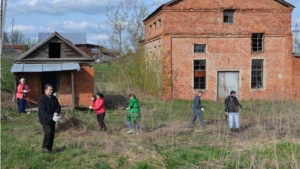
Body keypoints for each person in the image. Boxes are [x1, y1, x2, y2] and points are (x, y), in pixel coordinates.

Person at [38, 84, 61, 152]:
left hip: (52, 119)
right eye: (50, 90)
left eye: (52, 90)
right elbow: (42, 111)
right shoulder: (41, 99)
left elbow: (58, 107)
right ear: (45, 90)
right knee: (48, 131)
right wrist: (51, 117)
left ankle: (50, 148)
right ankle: (44, 147)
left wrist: (56, 113)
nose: (51, 91)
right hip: (44, 119)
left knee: (52, 133)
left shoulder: (54, 98)